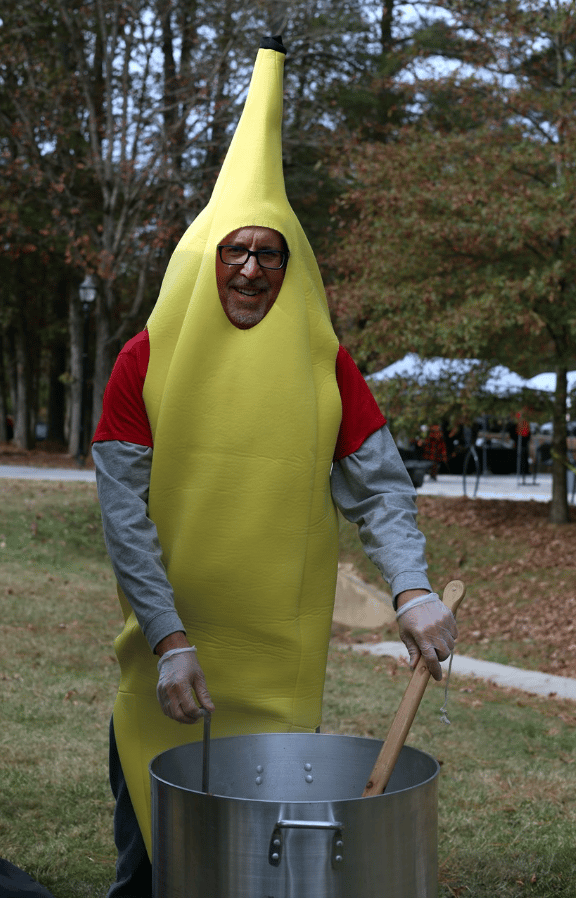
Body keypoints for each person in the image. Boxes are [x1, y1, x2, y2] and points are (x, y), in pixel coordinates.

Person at [92, 34, 457, 898]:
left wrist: (410, 587)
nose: (252, 270)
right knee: (153, 862)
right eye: (236, 251)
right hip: (167, 664)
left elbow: (379, 488)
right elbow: (123, 515)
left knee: (261, 871)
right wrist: (169, 637)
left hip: (279, 670)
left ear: (292, 268)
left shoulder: (326, 366)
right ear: (208, 257)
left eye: (271, 254)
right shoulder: (144, 361)